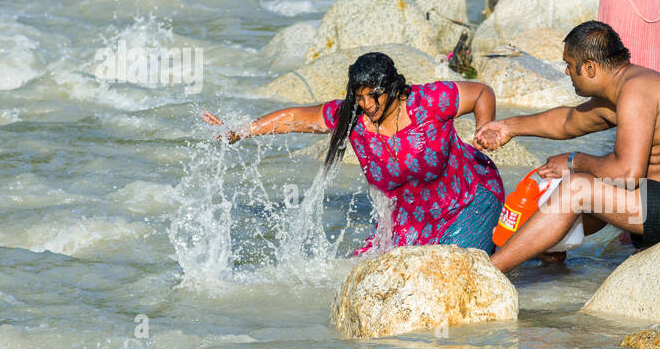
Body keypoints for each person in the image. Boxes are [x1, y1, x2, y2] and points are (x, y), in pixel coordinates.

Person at [473, 21, 660, 272]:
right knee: (597, 182)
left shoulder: (636, 92)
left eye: (569, 64)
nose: (567, 71)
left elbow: (627, 174)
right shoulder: (632, 83)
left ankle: (489, 272)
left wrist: (573, 161)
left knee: (579, 186)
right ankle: (546, 247)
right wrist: (508, 127)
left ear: (590, 68)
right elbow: (569, 121)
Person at [203, 52, 504, 255]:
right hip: (409, 221)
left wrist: (485, 126)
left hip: (467, 203)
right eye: (359, 97)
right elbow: (296, 117)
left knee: (449, 275)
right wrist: (241, 131)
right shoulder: (352, 119)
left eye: (374, 96)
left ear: (393, 88)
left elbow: (481, 93)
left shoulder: (429, 102)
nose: (367, 105)